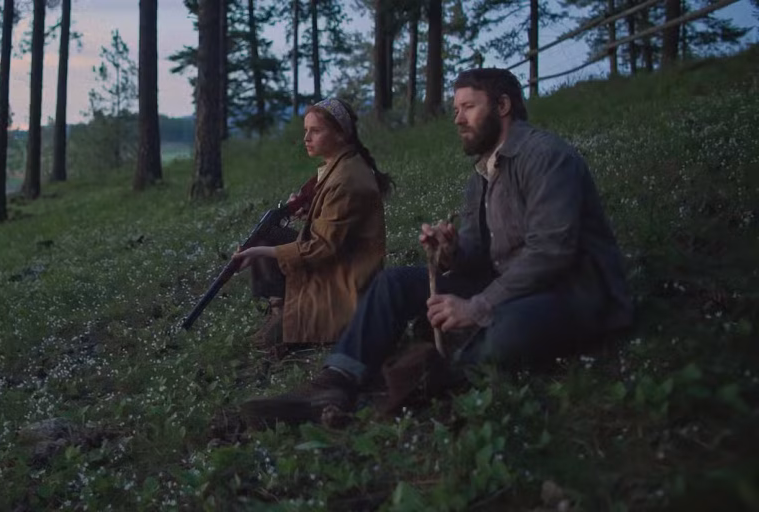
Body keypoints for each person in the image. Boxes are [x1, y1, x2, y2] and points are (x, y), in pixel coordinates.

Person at [240, 68, 633, 424]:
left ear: (503, 105)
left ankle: (418, 381)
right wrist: (450, 250)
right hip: (508, 284)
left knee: (506, 330)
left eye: (468, 107)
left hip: (569, 291)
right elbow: (478, 256)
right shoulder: (481, 174)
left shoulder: (547, 157)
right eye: (455, 109)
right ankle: (338, 378)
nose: (457, 118)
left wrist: (478, 305)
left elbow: (552, 253)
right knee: (394, 283)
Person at [232, 98, 394, 354]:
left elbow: (323, 248)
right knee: (267, 236)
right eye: (306, 131)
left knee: (264, 248)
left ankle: (292, 325)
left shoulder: (346, 179)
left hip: (344, 283)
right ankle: (280, 310)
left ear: (341, 134)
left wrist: (259, 254)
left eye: (316, 131)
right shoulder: (340, 166)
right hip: (337, 264)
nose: (307, 138)